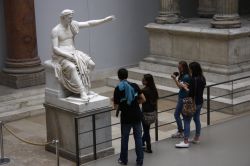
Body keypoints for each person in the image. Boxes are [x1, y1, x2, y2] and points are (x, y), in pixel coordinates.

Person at [51, 9, 114, 101]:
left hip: (74, 52)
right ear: (63, 18)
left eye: (71, 18)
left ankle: (86, 87)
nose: (71, 20)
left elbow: (89, 23)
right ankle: (82, 92)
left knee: (91, 65)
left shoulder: (72, 24)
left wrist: (104, 20)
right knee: (72, 68)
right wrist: (67, 55)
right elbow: (55, 49)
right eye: (69, 18)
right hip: (62, 56)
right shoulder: (56, 30)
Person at [113, 68, 146, 166]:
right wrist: (135, 103)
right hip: (136, 115)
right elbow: (143, 99)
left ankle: (123, 160)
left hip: (126, 118)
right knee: (138, 139)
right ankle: (140, 162)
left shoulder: (118, 89)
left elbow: (116, 106)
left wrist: (114, 101)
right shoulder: (135, 85)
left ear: (118, 77)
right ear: (127, 76)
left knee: (125, 139)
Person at [175, 62, 206, 148]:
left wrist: (184, 87)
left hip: (192, 102)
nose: (189, 70)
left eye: (190, 68)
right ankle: (196, 138)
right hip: (200, 101)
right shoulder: (202, 78)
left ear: (192, 69)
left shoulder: (193, 79)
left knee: (187, 120)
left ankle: (185, 141)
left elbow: (190, 92)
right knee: (197, 119)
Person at [171, 61, 191, 138]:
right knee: (183, 115)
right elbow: (180, 86)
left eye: (180, 67)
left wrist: (174, 79)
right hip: (182, 97)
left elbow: (182, 86)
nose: (178, 69)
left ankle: (180, 131)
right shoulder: (183, 75)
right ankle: (183, 131)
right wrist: (175, 79)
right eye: (178, 67)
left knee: (176, 114)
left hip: (183, 98)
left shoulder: (186, 76)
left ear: (184, 67)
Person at [141, 74, 159, 153]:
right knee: (146, 130)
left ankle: (148, 147)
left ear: (147, 81)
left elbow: (140, 100)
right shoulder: (154, 89)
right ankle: (141, 143)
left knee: (146, 131)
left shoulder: (144, 90)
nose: (142, 80)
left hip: (146, 113)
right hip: (153, 113)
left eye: (144, 79)